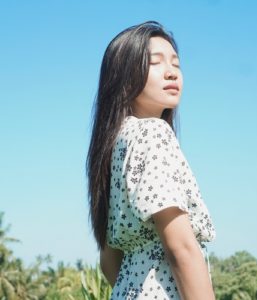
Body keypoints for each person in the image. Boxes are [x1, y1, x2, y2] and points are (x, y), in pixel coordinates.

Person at [86, 20, 216, 300]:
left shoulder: (113, 147)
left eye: (176, 64)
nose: (171, 73)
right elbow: (181, 248)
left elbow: (109, 263)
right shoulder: (153, 133)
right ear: (123, 76)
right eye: (155, 63)